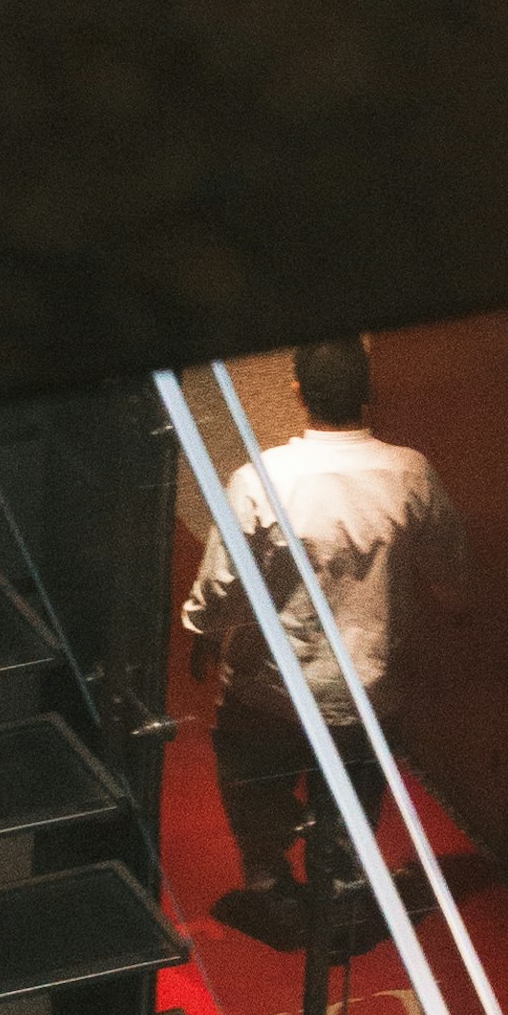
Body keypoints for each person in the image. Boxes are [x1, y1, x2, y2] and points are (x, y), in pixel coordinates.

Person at [181, 338, 472, 949]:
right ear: (368, 391)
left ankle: (269, 882)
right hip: (370, 687)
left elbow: (223, 586)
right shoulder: (410, 472)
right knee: (355, 790)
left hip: (273, 688)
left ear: (296, 392)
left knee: (250, 778)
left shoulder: (261, 477)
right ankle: (338, 881)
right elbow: (453, 577)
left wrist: (201, 631)